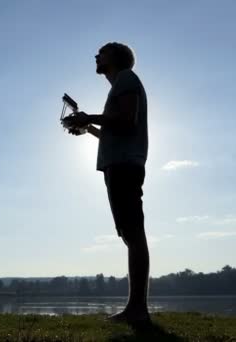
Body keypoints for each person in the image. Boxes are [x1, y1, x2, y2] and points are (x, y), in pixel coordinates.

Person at [62, 42, 150, 325]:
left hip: (124, 166)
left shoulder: (126, 78)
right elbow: (116, 131)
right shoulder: (120, 84)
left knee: (133, 234)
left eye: (102, 51)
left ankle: (137, 309)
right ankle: (136, 308)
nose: (96, 55)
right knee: (129, 234)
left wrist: (90, 117)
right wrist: (88, 128)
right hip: (119, 164)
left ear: (116, 58)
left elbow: (126, 121)